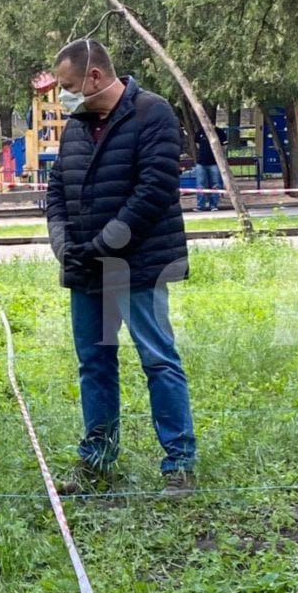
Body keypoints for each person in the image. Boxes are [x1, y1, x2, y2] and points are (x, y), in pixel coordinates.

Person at [46, 38, 197, 498]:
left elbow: (154, 191)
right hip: (86, 267)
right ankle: (98, 460)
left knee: (158, 359)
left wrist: (102, 245)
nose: (64, 97)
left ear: (94, 76)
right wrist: (64, 244)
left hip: (138, 266)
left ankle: (180, 463)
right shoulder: (75, 127)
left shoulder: (153, 113)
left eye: (69, 86)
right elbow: (56, 191)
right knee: (94, 364)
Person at [193, 125, 227, 211]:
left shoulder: (219, 132)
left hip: (214, 163)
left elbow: (224, 146)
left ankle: (213, 205)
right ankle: (200, 206)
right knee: (200, 185)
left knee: (216, 184)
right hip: (201, 162)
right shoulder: (201, 131)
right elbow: (197, 144)